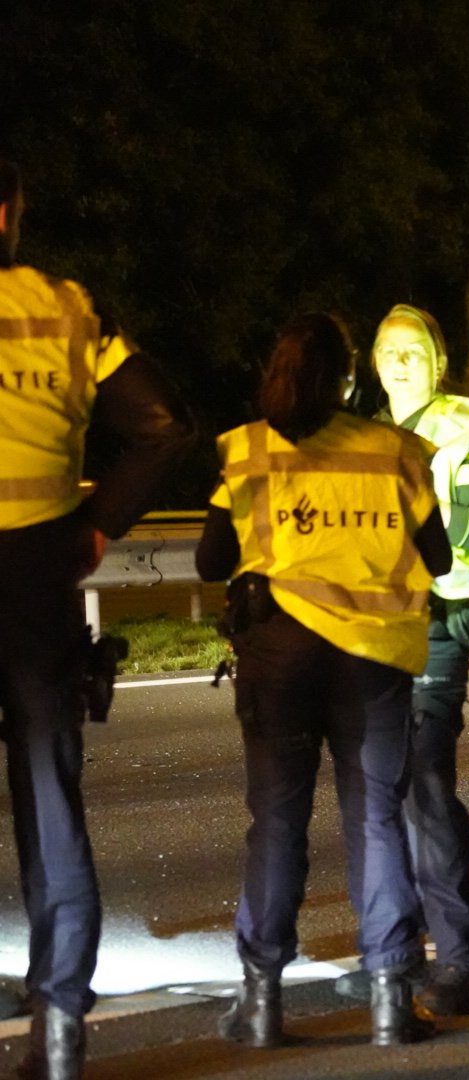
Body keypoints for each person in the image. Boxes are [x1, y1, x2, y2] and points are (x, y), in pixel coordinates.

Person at [196, 312, 451, 1048]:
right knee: (375, 819)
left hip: (279, 658)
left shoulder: (246, 450)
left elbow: (213, 561)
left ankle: (262, 1005)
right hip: (371, 661)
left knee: (277, 823)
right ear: (348, 378)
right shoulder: (395, 451)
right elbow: (435, 556)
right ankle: (390, 1004)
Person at [0, 157, 196, 1079]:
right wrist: (94, 528)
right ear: (9, 214)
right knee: (49, 797)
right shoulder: (71, 310)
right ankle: (63, 1021)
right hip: (40, 571)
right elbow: (164, 425)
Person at [333, 303, 469, 1015]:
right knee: (376, 797)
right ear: (373, 364)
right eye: (388, 350)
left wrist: (428, 583)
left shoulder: (467, 426)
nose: (401, 361)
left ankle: (462, 958)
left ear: (439, 363)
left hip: (433, 625)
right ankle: (395, 954)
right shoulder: (357, 435)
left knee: (426, 786)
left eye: (415, 350)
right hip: (368, 633)